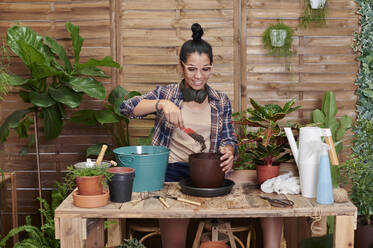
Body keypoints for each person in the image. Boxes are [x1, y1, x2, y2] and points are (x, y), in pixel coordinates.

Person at [120, 23, 282, 248]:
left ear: (211, 67)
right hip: (171, 173)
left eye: (205, 69)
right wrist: (161, 104)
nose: (198, 76)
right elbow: (126, 108)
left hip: (209, 174)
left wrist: (228, 150)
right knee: (174, 241)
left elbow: (228, 138)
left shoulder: (220, 100)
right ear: (181, 66)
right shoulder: (167, 93)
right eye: (192, 69)